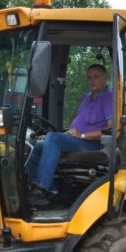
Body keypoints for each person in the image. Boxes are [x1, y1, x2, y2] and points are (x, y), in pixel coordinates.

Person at [27, 64, 113, 207]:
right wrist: (59, 136)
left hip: (91, 143)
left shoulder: (108, 98)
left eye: (96, 77)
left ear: (105, 77)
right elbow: (77, 127)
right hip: (77, 139)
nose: (92, 80)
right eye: (89, 78)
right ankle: (52, 190)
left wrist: (83, 135)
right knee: (35, 145)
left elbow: (112, 128)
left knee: (53, 138)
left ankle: (41, 187)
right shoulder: (88, 98)